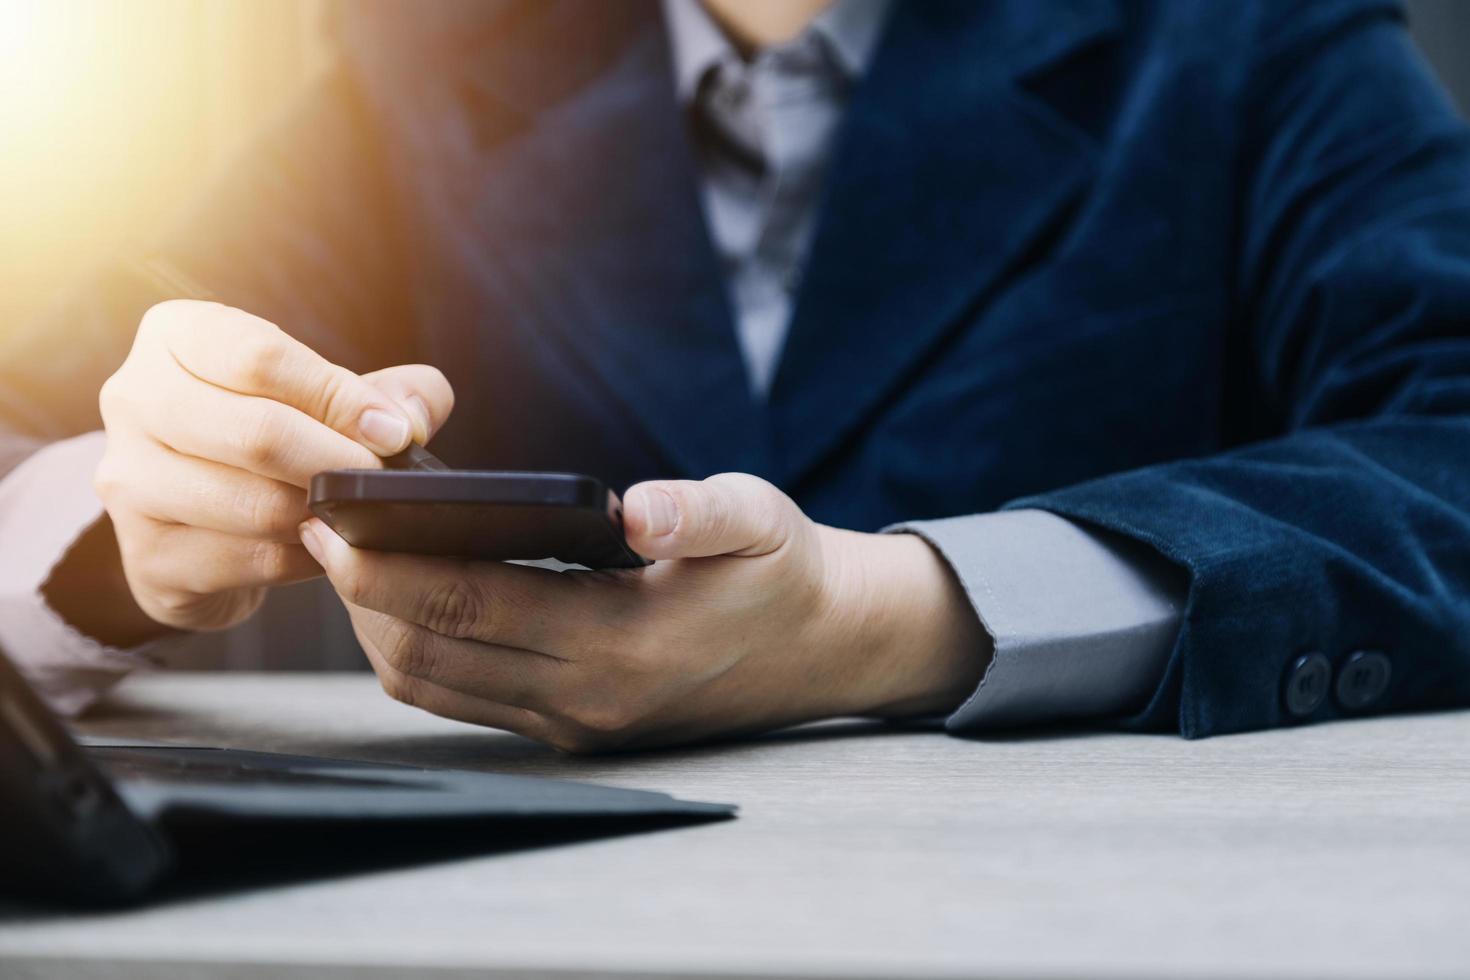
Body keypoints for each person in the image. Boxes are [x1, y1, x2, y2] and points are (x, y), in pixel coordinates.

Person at [2, 0, 1469, 752]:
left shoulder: (1244, 39)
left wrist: (902, 616)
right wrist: (128, 530)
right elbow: (46, 433)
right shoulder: (430, 63)